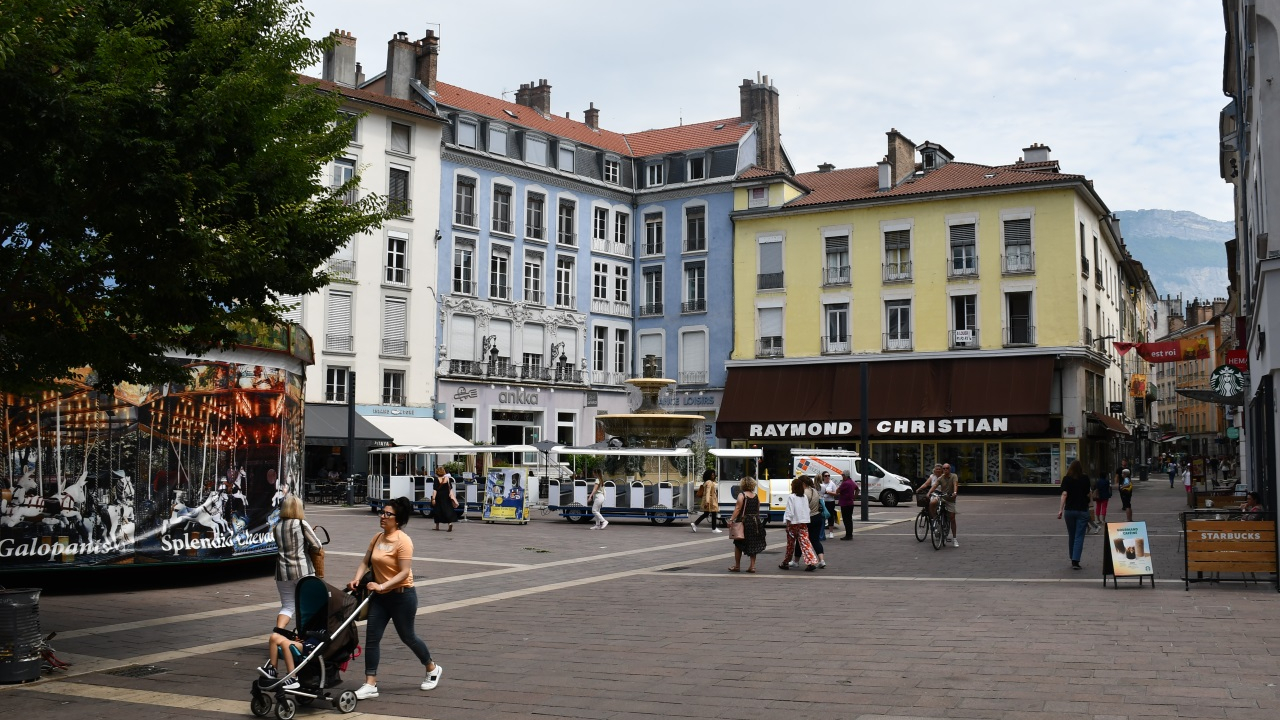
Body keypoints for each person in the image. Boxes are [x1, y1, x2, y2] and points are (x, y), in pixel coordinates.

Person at [347, 497, 442, 700]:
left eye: (388, 514)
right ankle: (370, 683)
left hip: (402, 596)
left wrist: (381, 585)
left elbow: (404, 572)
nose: (383, 516)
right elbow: (365, 562)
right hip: (380, 599)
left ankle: (432, 668)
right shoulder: (377, 538)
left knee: (408, 636)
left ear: (397, 520)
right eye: (382, 512)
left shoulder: (403, 541)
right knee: (372, 638)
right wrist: (356, 579)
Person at [271, 495, 323, 630]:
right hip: (303, 571)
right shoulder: (301, 523)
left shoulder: (277, 526)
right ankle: (307, 635)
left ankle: (278, 632)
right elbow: (317, 546)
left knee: (288, 606)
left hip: (282, 573)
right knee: (310, 604)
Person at [1057, 459, 1091, 570]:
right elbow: (1088, 493)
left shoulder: (1066, 479)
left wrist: (1060, 510)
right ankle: (1075, 560)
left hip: (1069, 511)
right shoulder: (1085, 478)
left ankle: (1072, 557)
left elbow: (1064, 494)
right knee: (1079, 536)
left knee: (1071, 534)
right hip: (1082, 510)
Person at [727, 476, 766, 573]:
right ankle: (752, 566)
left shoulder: (742, 495)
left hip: (744, 521)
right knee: (753, 544)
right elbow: (757, 510)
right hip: (755, 522)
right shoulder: (756, 496)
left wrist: (731, 520)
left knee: (738, 543)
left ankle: (737, 566)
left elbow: (738, 509)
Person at [780, 477, 818, 571]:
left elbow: (790, 511)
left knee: (790, 544)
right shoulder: (804, 497)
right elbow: (806, 509)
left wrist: (787, 523)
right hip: (803, 522)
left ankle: (786, 562)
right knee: (805, 543)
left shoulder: (791, 497)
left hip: (793, 523)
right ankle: (811, 562)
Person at [917, 462, 959, 546]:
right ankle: (936, 519)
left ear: (949, 469)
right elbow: (934, 485)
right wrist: (929, 493)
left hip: (950, 498)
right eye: (944, 468)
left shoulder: (954, 476)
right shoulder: (940, 478)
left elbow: (955, 484)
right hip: (941, 497)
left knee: (952, 518)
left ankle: (954, 539)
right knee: (932, 503)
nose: (945, 470)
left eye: (947, 468)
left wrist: (954, 492)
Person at [690, 469, 720, 533]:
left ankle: (695, 524)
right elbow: (707, 493)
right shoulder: (709, 482)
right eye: (712, 475)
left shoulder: (707, 482)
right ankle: (713, 528)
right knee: (713, 513)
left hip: (710, 500)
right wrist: (707, 502)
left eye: (714, 475)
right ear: (709, 476)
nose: (713, 476)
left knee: (706, 514)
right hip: (710, 501)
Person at [431, 467, 457, 532]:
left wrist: (433, 498)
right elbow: (450, 488)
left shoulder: (436, 479)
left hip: (439, 496)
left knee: (437, 510)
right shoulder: (447, 479)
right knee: (447, 509)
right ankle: (449, 523)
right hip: (446, 496)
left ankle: (437, 526)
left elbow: (435, 490)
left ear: (437, 472)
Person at [836, 472, 858, 540]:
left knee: (846, 520)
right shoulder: (851, 482)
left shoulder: (845, 483)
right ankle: (849, 534)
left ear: (845, 476)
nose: (842, 477)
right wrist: (854, 497)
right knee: (849, 519)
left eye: (843, 475)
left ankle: (848, 535)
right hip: (850, 503)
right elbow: (857, 489)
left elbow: (837, 491)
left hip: (845, 503)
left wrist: (841, 483)